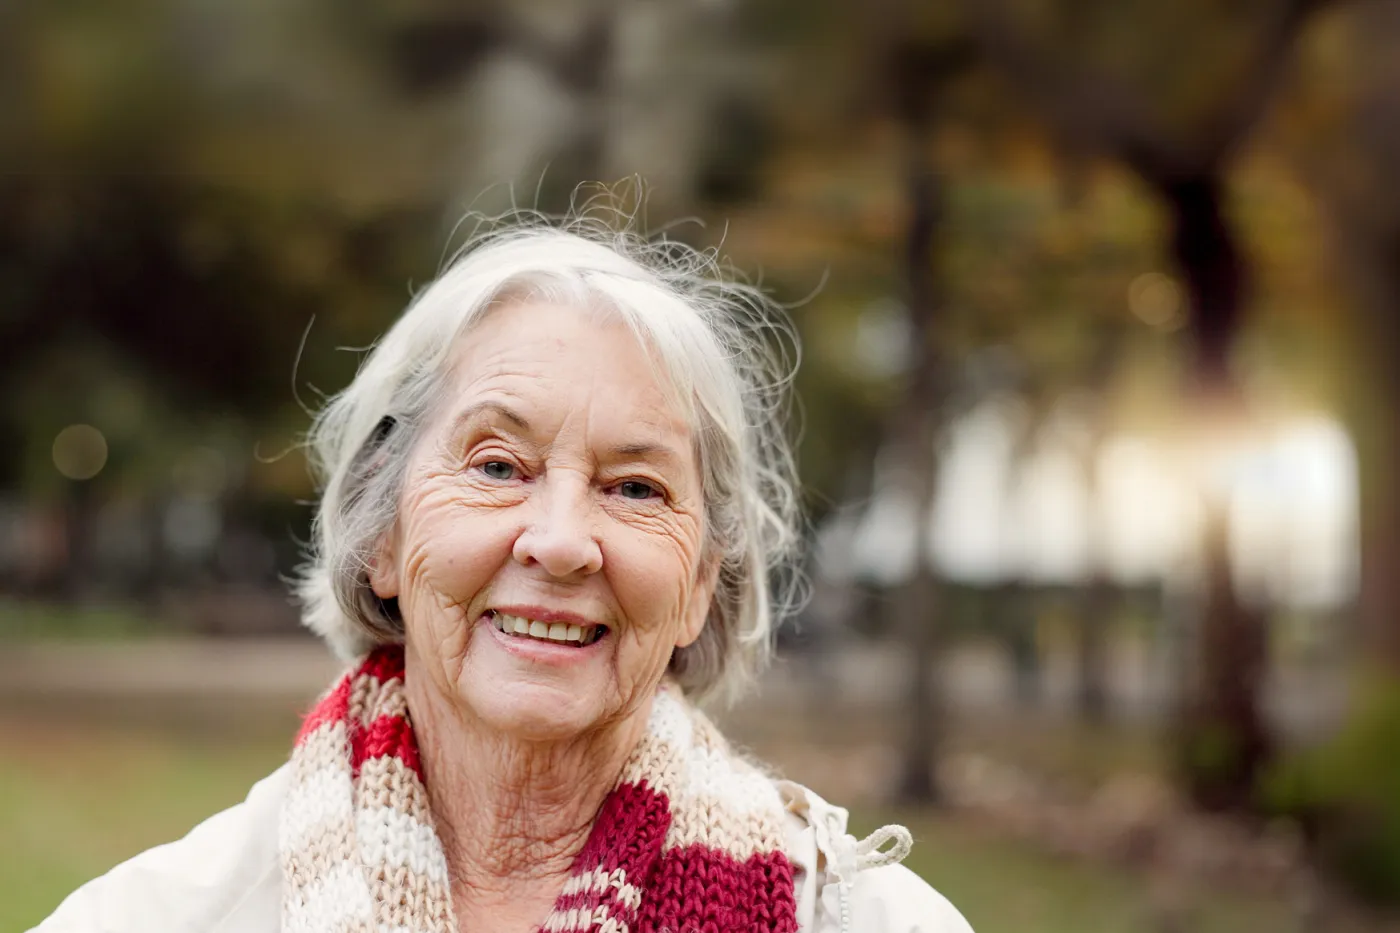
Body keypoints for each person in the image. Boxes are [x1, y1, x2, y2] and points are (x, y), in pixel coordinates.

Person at [36, 217, 974, 933]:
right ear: (382, 536)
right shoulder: (164, 916)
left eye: (635, 486)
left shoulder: (866, 919)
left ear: (698, 585)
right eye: (496, 466)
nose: (561, 542)